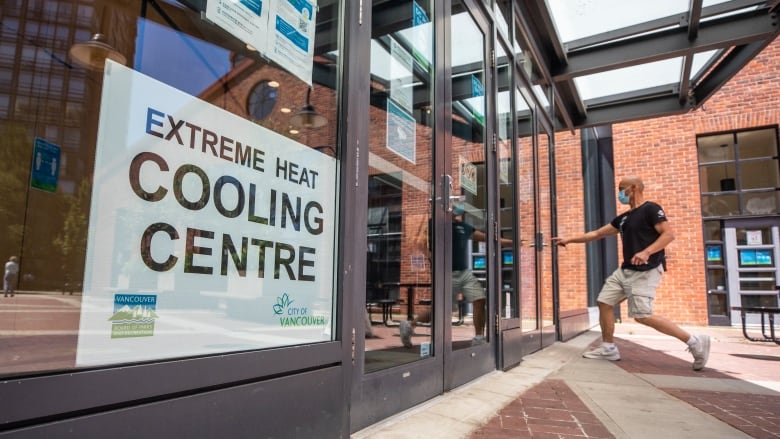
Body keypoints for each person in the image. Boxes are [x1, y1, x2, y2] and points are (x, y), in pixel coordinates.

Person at [553, 176, 711, 371]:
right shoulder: (624, 218)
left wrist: (646, 252)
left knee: (642, 316)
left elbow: (668, 234)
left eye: (622, 189)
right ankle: (608, 347)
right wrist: (568, 239)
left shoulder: (651, 209)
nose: (619, 193)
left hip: (646, 270)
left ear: (633, 188)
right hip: (625, 270)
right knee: (604, 302)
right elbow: (597, 234)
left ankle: (694, 342)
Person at [400, 204, 509, 347]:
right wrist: (432, 257)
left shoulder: (462, 227)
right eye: (454, 207)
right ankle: (409, 326)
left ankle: (478, 337)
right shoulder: (435, 223)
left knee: (479, 299)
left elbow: (485, 238)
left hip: (464, 273)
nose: (458, 210)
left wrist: (510, 242)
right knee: (443, 309)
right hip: (446, 273)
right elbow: (420, 242)